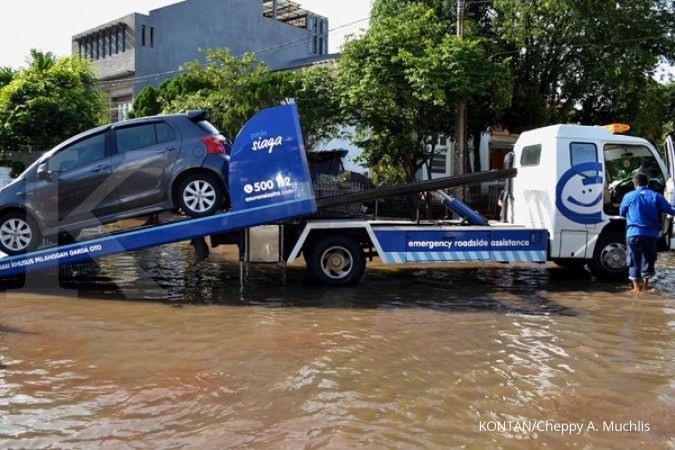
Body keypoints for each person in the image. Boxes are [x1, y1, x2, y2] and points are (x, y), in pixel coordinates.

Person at [619, 172, 675, 294]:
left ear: (635, 184)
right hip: (651, 235)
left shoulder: (628, 196)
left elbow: (622, 213)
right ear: (648, 183)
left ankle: (636, 290)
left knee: (634, 260)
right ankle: (645, 287)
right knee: (648, 260)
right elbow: (670, 210)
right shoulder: (656, 196)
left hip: (633, 233)